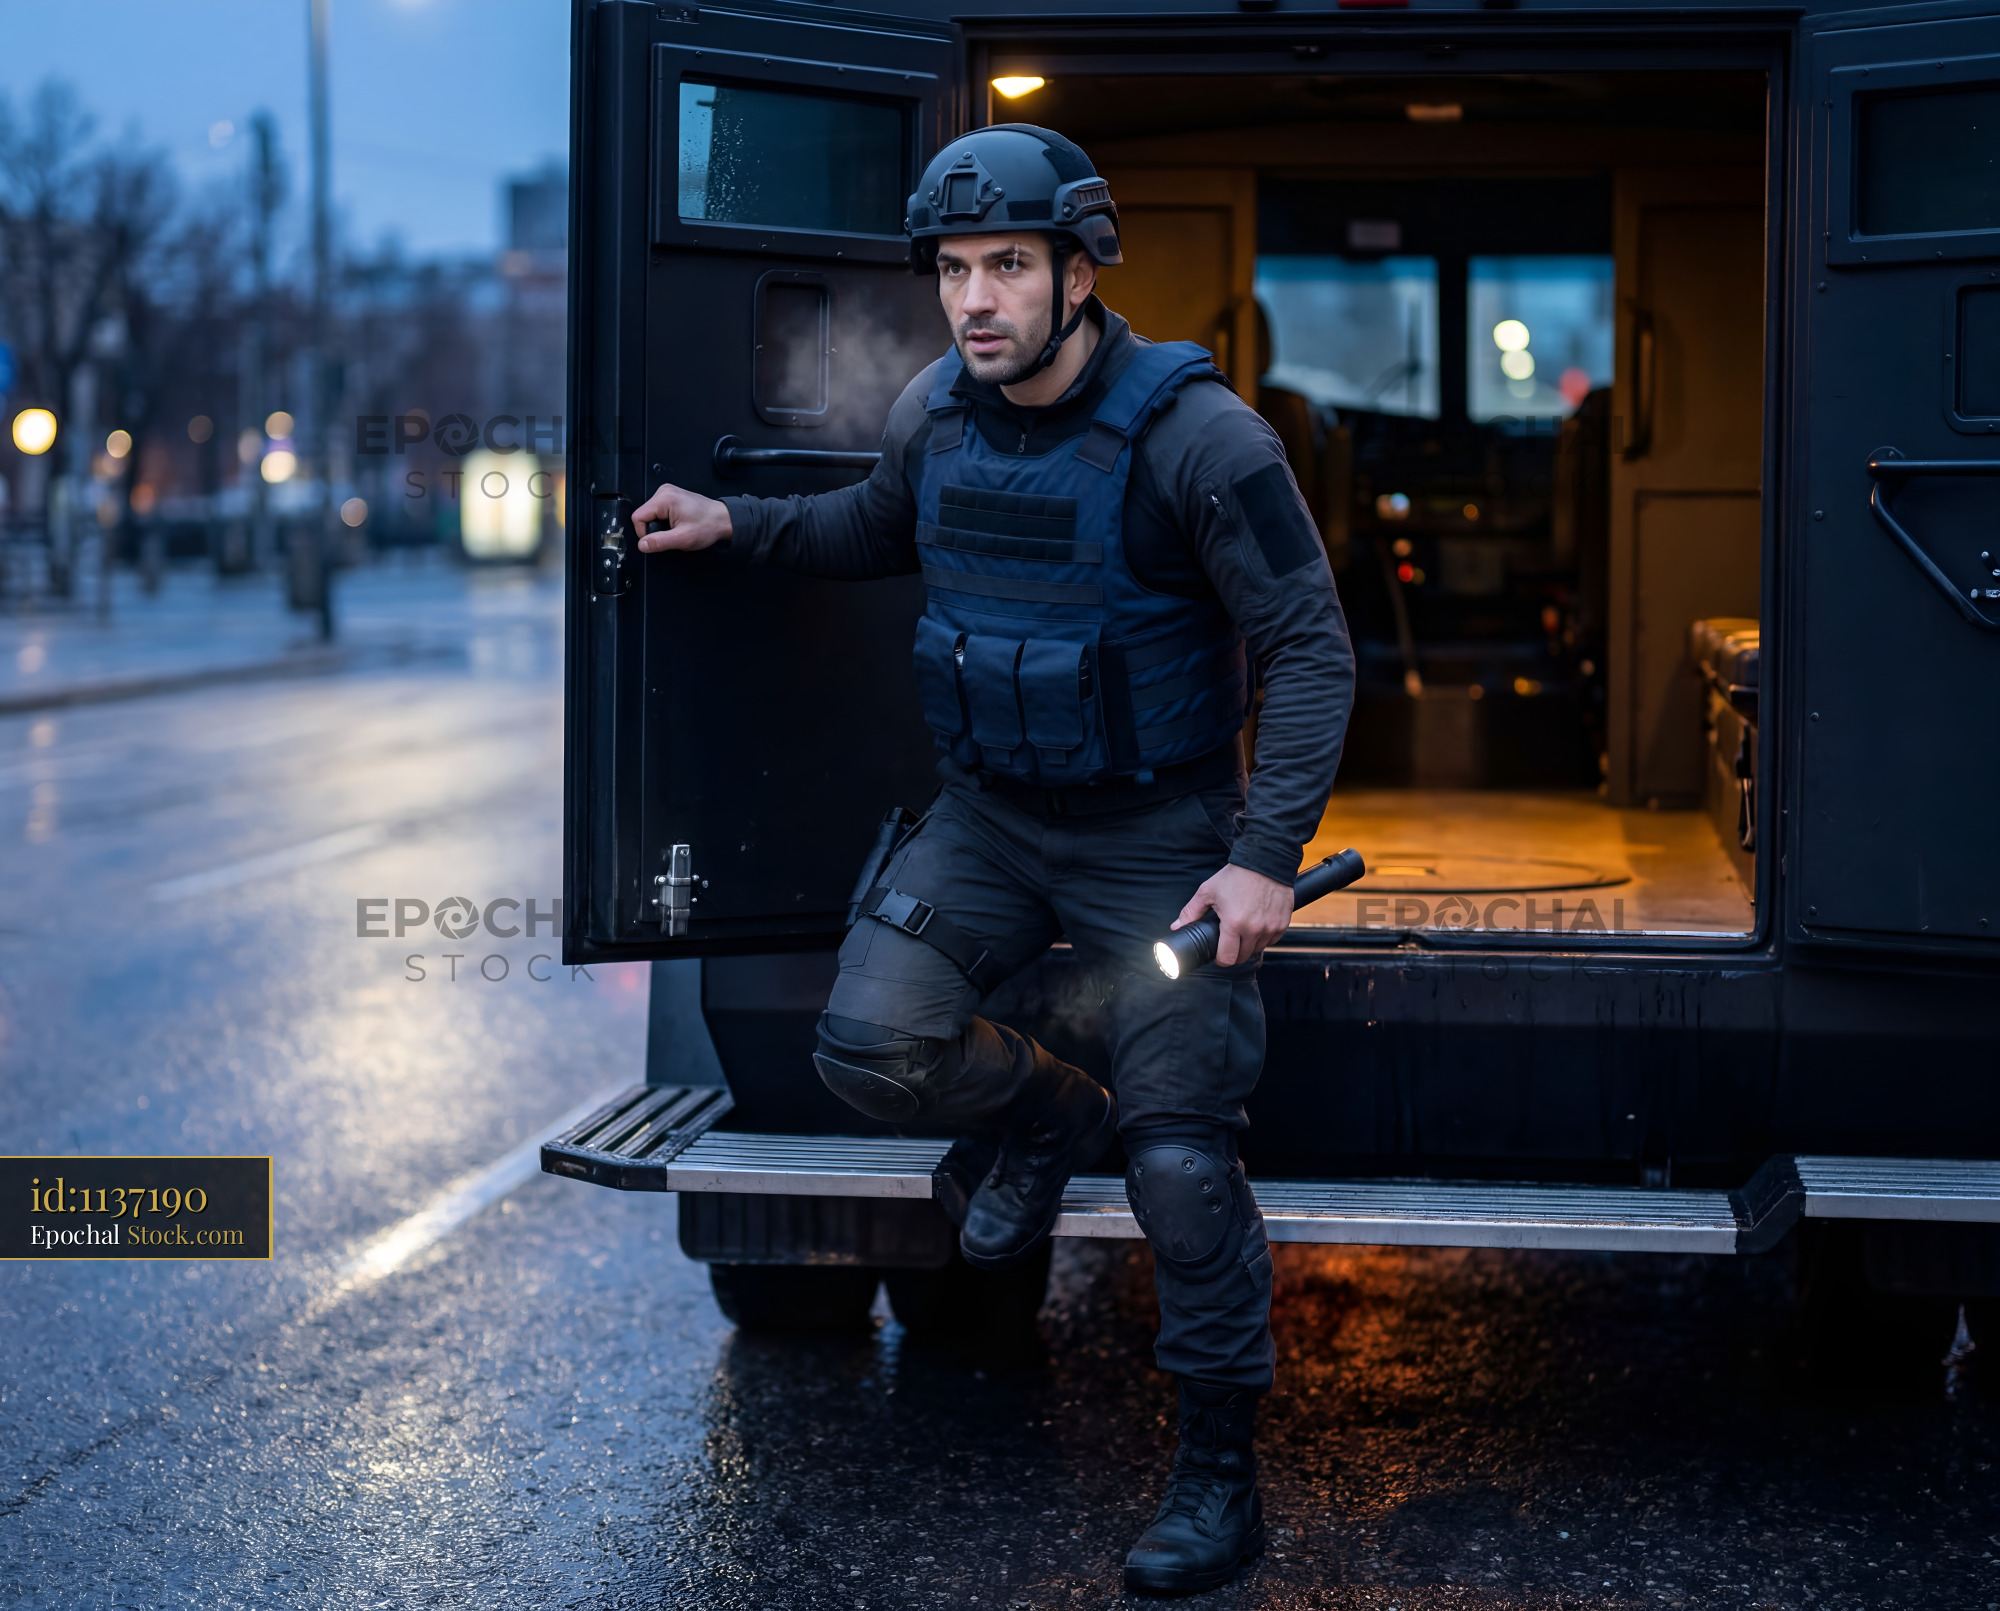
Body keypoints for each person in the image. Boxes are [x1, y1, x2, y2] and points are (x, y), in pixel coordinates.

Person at [631, 124, 1354, 1597]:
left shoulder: (1199, 438)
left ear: (1078, 274)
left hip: (1161, 831)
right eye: (956, 269)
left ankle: (1220, 1479)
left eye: (1007, 266)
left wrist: (1265, 856)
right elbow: (867, 525)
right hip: (992, 817)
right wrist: (737, 522)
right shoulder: (936, 413)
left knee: (1182, 1167)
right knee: (865, 1048)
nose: (975, 299)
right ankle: (1038, 1113)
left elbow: (1310, 642)